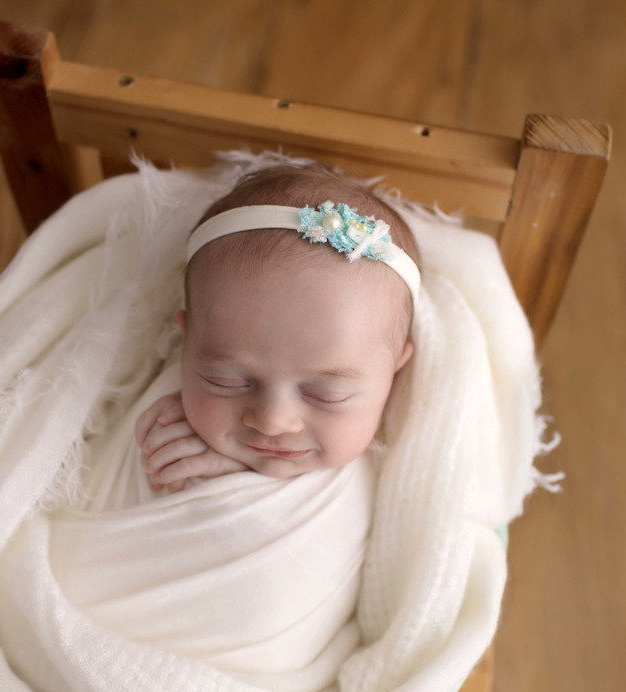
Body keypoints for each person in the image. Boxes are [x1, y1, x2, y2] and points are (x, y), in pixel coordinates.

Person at [135, 163, 420, 492]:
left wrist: (239, 482)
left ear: (395, 369)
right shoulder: (165, 424)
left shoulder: (401, 475)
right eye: (225, 381)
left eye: (326, 395)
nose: (272, 422)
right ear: (185, 342)